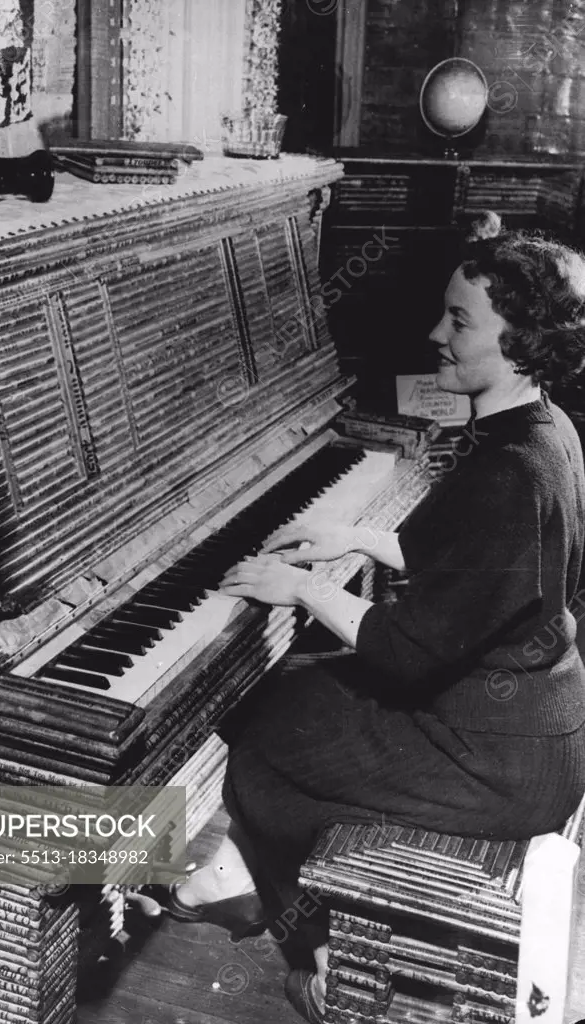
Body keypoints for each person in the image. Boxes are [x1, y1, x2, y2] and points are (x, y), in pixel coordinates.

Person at [167, 228, 585, 1023]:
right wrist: (357, 538)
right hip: (528, 720)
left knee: (267, 743)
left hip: (499, 762)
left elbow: (401, 652)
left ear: (522, 342)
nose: (436, 334)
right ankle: (249, 881)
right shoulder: (542, 430)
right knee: (289, 690)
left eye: (459, 322)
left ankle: (320, 960)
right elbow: (480, 570)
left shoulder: (507, 469)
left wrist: (301, 587)